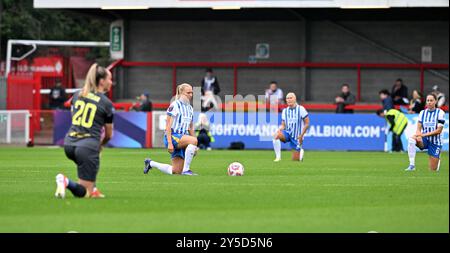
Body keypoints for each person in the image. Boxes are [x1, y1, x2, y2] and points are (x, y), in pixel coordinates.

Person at [54, 63, 114, 199]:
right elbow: (109, 134)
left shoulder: (77, 95)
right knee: (84, 192)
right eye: (109, 79)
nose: (111, 82)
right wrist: (101, 145)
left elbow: (73, 117)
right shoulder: (106, 103)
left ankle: (94, 188)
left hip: (69, 143)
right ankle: (65, 181)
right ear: (102, 81)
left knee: (88, 167)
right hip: (87, 145)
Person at [144, 83, 199, 175]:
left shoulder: (190, 108)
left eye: (192, 93)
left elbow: (190, 126)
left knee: (176, 171)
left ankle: (150, 163)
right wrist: (170, 143)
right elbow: (168, 125)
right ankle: (186, 170)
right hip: (173, 136)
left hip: (183, 139)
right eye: (188, 93)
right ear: (181, 93)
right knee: (193, 140)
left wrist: (195, 145)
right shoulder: (175, 105)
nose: (191, 95)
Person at [405, 93, 445, 172]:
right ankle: (412, 165)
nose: (429, 102)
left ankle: (437, 158)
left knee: (433, 170)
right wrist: (419, 135)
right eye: (428, 100)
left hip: (436, 142)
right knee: (411, 139)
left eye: (431, 100)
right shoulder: (422, 113)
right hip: (425, 139)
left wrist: (422, 134)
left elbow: (438, 131)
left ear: (435, 101)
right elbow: (418, 128)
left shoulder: (440, 113)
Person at [272, 92, 310, 162]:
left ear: (295, 99)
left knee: (295, 160)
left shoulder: (301, 109)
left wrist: (302, 135)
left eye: (290, 98)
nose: (289, 100)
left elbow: (307, 123)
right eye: (287, 98)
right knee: (276, 136)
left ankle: (300, 151)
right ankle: (278, 157)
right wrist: (279, 129)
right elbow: (283, 125)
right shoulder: (285, 111)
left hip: (297, 136)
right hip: (288, 133)